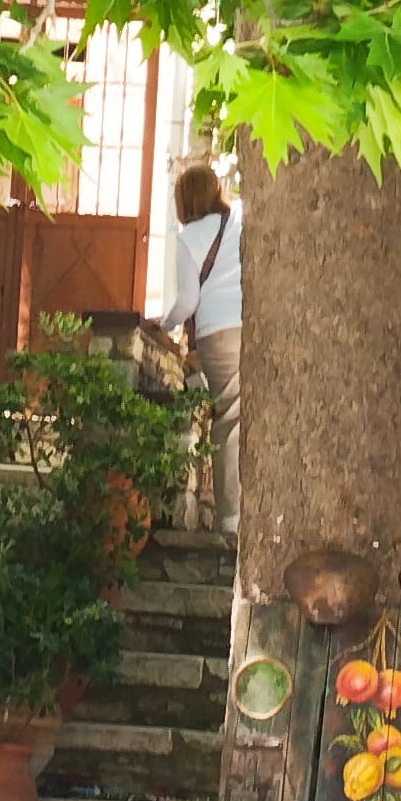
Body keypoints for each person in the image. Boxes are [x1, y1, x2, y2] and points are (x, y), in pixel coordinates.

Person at [169, 159, 240, 529]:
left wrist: (163, 326)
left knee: (228, 420)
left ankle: (231, 518)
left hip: (217, 334)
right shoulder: (240, 223)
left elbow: (187, 303)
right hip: (251, 329)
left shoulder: (188, 238)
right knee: (250, 418)